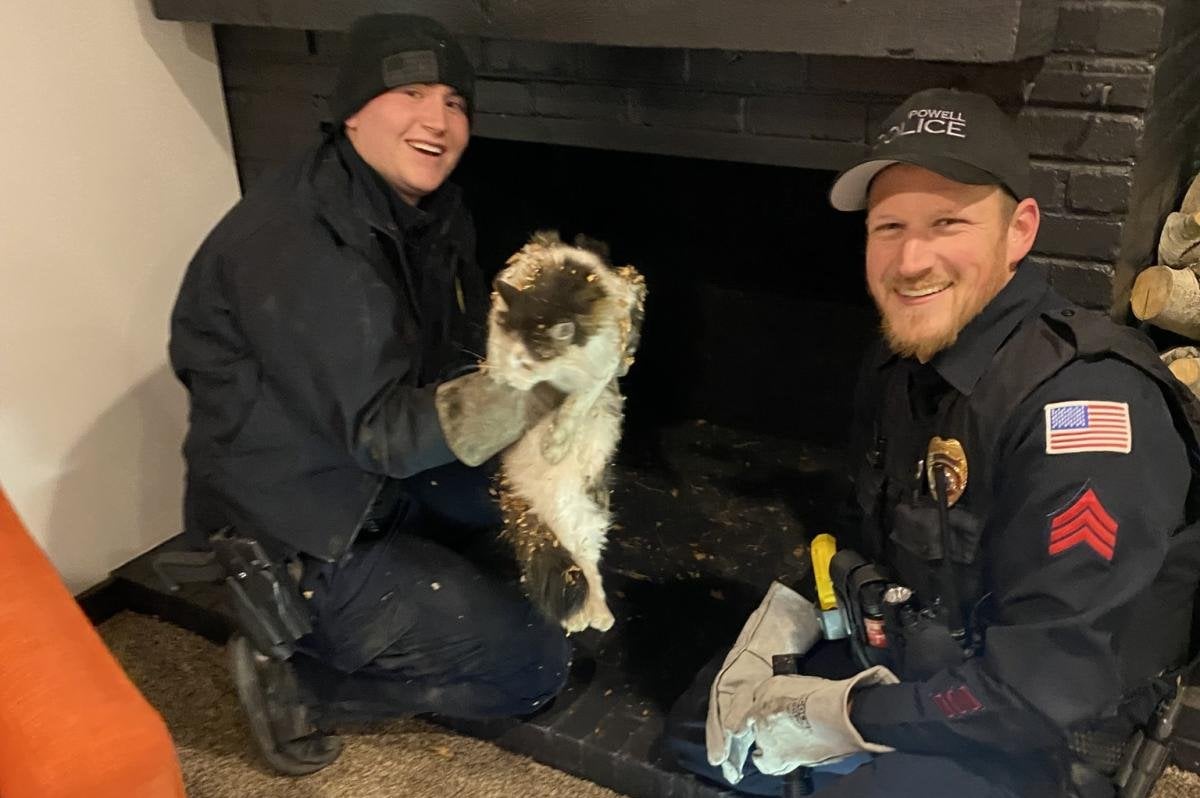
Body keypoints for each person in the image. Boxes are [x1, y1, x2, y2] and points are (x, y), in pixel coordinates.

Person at [665, 88, 1200, 797]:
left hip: (1037, 716)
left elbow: (1041, 688)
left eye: (948, 221)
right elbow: (888, 537)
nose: (912, 259)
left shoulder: (1085, 411)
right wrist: (799, 621)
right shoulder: (902, 359)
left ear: (1019, 231)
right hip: (930, 651)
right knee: (702, 727)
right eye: (889, 227)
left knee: (812, 766)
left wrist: (848, 713)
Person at [168, 14, 569, 775]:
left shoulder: (427, 211)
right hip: (299, 526)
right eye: (410, 92)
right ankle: (301, 679)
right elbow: (384, 430)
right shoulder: (302, 245)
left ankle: (407, 589)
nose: (437, 120)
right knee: (534, 666)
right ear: (353, 108)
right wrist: (537, 389)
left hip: (369, 476)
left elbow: (452, 356)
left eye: (454, 101)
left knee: (539, 518)